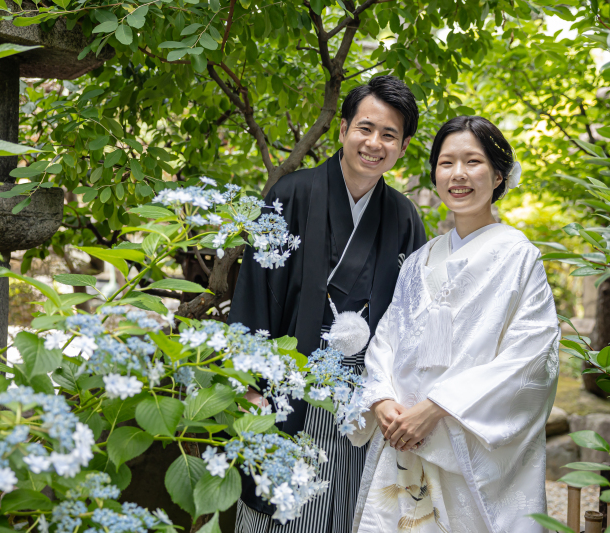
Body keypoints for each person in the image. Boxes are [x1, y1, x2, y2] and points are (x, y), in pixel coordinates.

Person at [229, 75, 428, 532]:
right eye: (365, 128)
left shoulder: (403, 217)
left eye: (389, 135)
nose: (374, 143)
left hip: (362, 401)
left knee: (344, 510)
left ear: (403, 146)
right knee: (277, 507)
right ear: (343, 130)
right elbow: (254, 292)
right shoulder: (289, 195)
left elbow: (413, 319)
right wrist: (249, 385)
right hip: (286, 387)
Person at [349, 116, 560, 533]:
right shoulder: (419, 261)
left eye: (473, 162)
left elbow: (531, 358)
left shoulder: (519, 258)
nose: (458, 175)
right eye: (446, 163)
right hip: (401, 435)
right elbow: (386, 341)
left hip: (463, 441)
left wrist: (437, 407)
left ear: (498, 175)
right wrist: (382, 400)